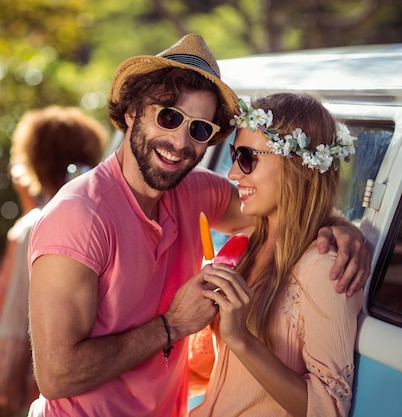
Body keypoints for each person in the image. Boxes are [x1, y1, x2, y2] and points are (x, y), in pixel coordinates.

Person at [26, 33, 371, 416]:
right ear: (131, 112)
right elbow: (57, 376)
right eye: (169, 116)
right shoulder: (78, 216)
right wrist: (172, 325)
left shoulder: (194, 192)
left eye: (199, 129)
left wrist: (343, 229)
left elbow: (288, 209)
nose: (179, 141)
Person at [188, 93, 364, 416]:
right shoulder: (245, 244)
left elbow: (329, 411)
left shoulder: (325, 268)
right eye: (233, 155)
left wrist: (241, 338)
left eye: (247, 158)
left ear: (298, 166)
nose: (233, 174)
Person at [0, 105, 108, 417]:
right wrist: (26, 195)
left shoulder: (47, 218)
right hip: (3, 321)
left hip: (12, 327)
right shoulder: (54, 211)